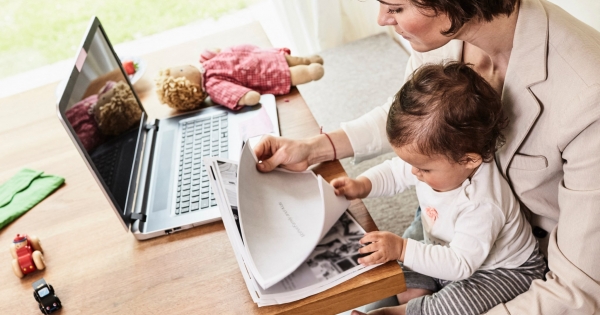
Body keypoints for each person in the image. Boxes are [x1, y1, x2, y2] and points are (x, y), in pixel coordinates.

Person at [253, 0, 600, 313]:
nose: (381, 19)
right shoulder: (447, 32)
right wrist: (315, 147)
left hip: (513, 262)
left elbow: (578, 292)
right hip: (446, 213)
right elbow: (413, 123)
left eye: (396, 7)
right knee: (371, 281)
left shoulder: (588, 96)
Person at [331, 61, 545, 315]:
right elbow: (393, 172)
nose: (413, 172)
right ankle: (414, 295)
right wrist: (362, 184)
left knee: (455, 304)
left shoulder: (482, 203)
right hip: (446, 248)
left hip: (502, 270)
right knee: (401, 276)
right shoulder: (434, 163)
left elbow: (460, 265)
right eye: (411, 164)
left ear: (469, 160)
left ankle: (396, 313)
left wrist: (401, 248)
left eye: (423, 169)